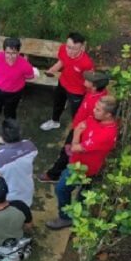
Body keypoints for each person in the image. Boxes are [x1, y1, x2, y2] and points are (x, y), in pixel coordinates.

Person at [46, 96, 119, 230]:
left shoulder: (106, 134)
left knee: (61, 189)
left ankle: (65, 217)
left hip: (83, 168)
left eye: (98, 109)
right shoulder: (96, 118)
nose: (94, 110)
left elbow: (76, 145)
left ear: (108, 114)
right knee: (82, 193)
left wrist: (76, 134)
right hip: (80, 162)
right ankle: (76, 214)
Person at [39, 71, 110, 183]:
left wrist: (78, 133)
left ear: (94, 86)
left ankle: (53, 175)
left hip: (80, 131)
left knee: (67, 151)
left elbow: (94, 122)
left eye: (88, 80)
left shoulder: (98, 103)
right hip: (77, 126)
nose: (84, 80)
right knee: (68, 151)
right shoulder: (92, 92)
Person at [0, 38, 39, 143]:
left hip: (14, 93)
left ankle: (7, 136)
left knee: (10, 114)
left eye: (14, 53)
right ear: (3, 51)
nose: (10, 56)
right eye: (8, 53)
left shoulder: (25, 65)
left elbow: (30, 76)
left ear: (18, 52)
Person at [39, 32, 94, 131]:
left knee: (76, 113)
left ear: (82, 47)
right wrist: (52, 70)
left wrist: (90, 91)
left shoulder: (86, 63)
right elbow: (61, 62)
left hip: (77, 91)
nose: (70, 51)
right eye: (68, 47)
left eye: (74, 49)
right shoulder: (63, 49)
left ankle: (76, 130)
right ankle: (54, 121)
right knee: (57, 103)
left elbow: (89, 81)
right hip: (63, 82)